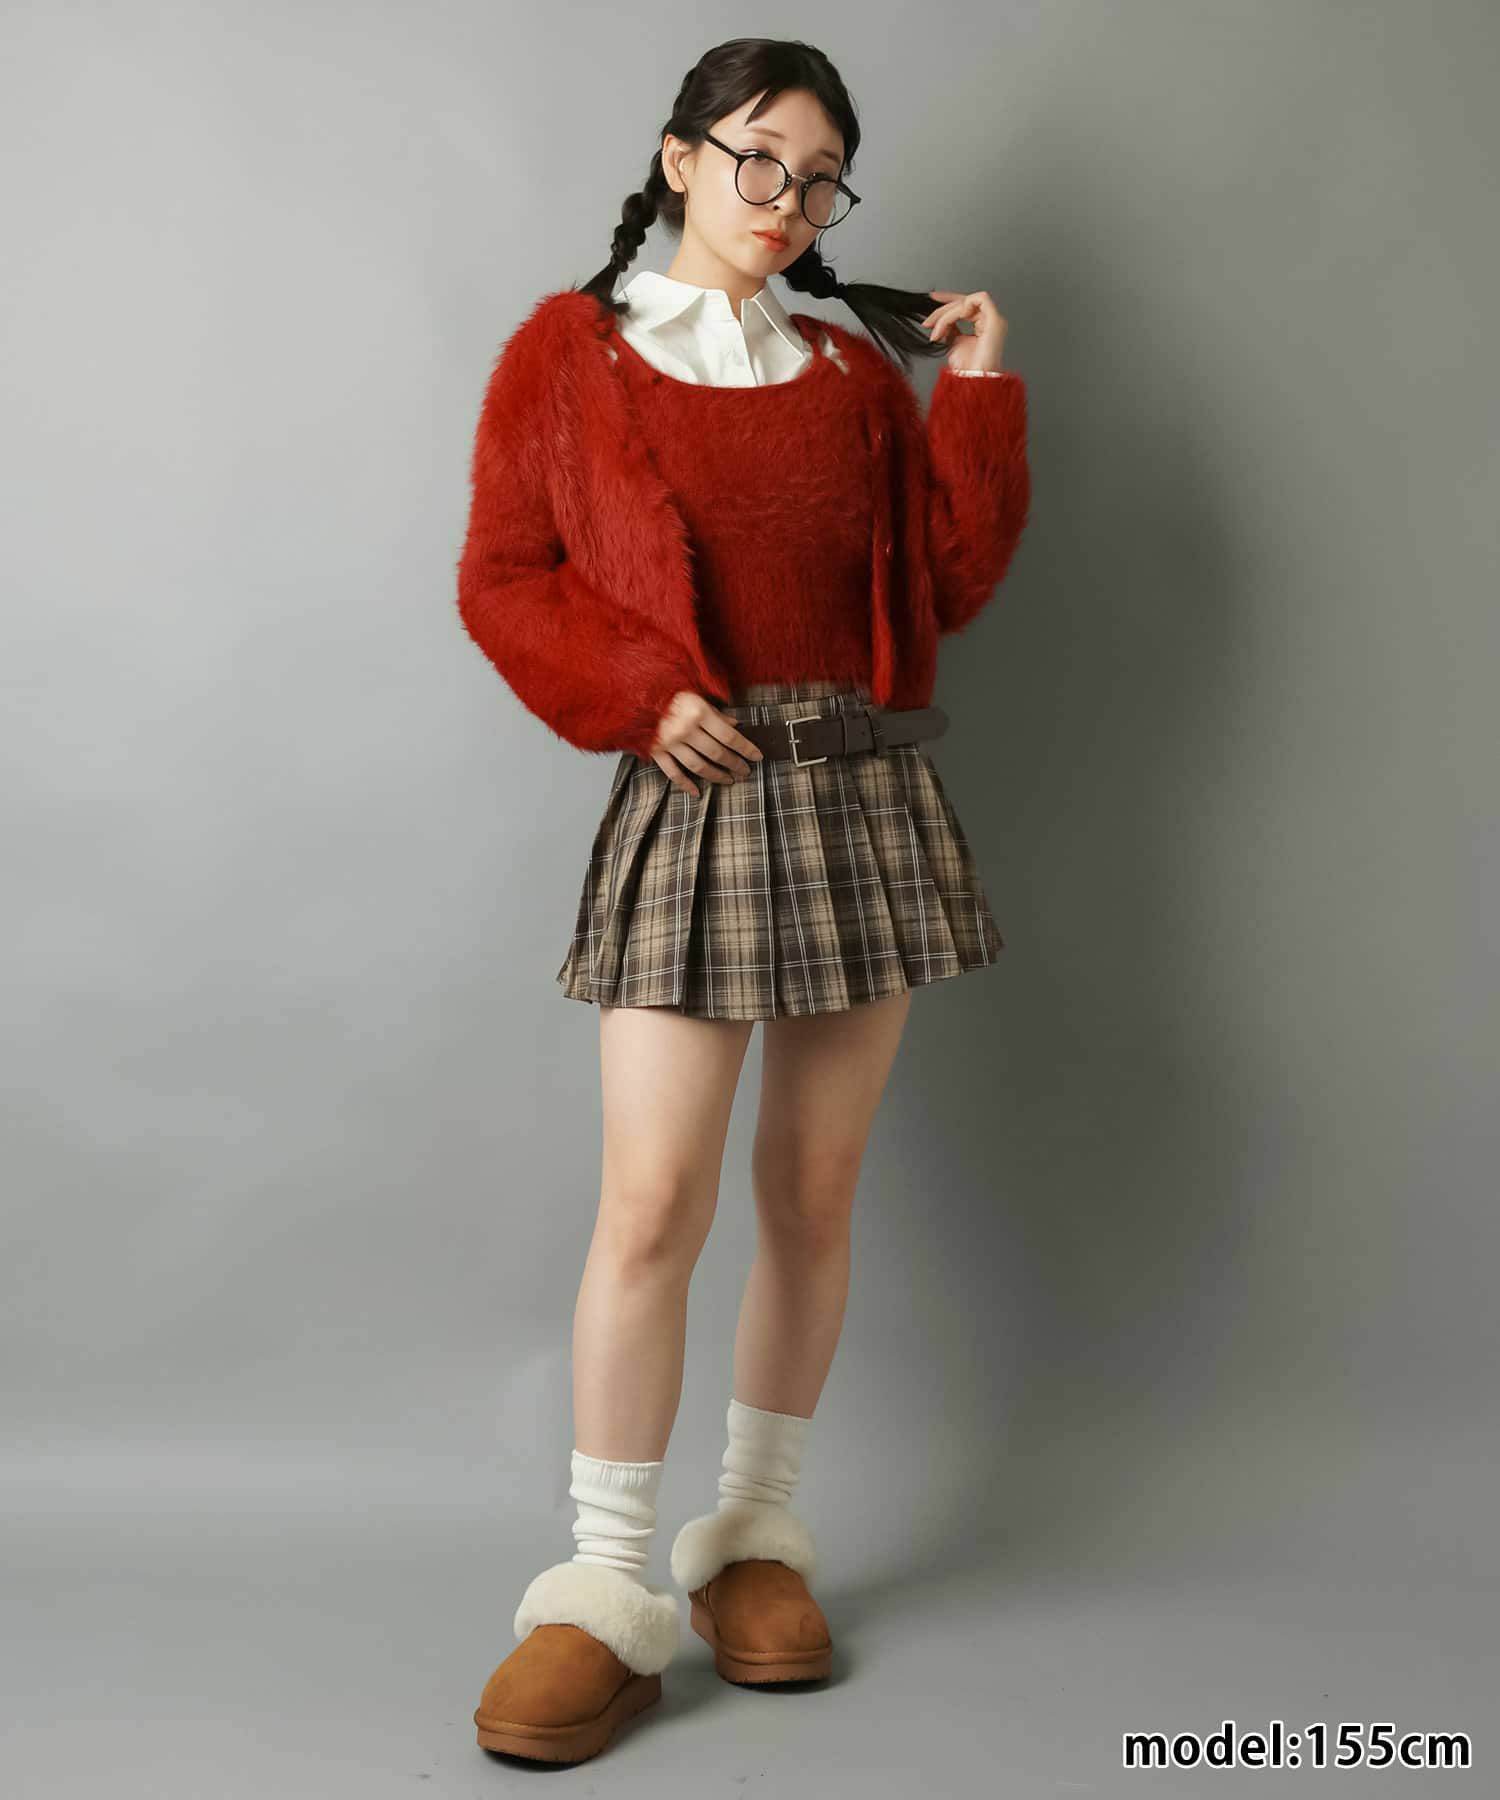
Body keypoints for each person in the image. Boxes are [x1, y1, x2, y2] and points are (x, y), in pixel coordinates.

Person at [455, 36, 1030, 1765]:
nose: (790, 197)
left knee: (813, 1194)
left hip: (859, 796)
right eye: (761, 156)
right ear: (680, 157)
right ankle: (602, 1583)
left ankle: (756, 1535)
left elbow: (943, 584)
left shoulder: (851, 372)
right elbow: (505, 579)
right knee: (651, 1205)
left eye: (824, 175)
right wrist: (639, 695)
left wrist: (976, 392)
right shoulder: (569, 355)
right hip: (696, 801)